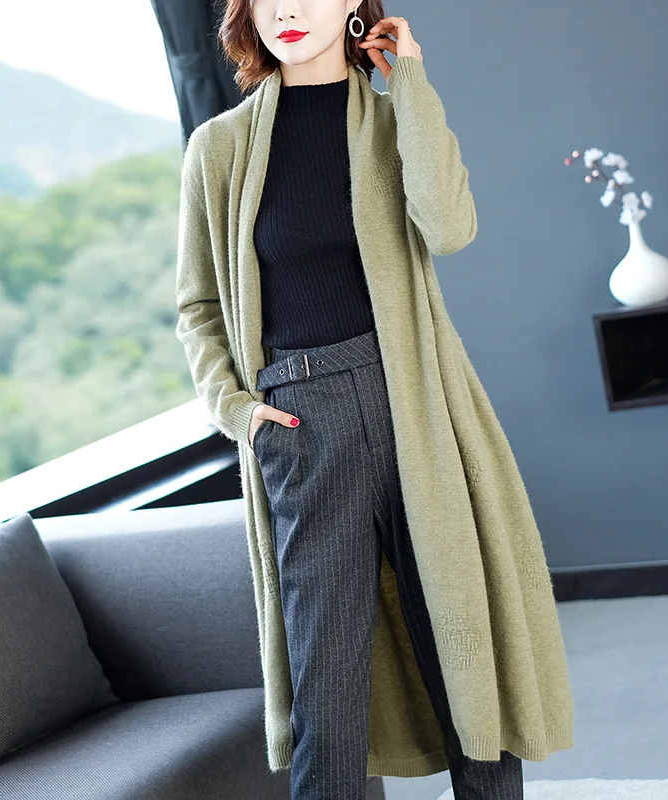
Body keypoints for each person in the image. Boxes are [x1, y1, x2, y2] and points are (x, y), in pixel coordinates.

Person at [175, 0, 575, 796]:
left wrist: (412, 84)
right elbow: (199, 307)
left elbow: (449, 226)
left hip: (414, 406)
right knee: (325, 694)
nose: (289, 9)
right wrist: (240, 414)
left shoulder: (394, 123)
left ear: (356, 9)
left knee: (463, 658)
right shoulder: (218, 148)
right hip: (299, 421)